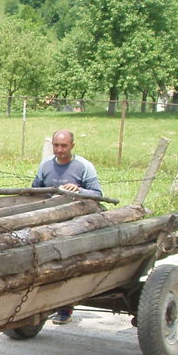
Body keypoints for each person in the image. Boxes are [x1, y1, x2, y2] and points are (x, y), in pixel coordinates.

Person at [32, 129, 103, 324]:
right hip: (49, 221)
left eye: (63, 146)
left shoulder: (83, 166)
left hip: (75, 224)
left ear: (72, 146)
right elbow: (34, 192)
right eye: (56, 145)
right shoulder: (45, 165)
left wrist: (79, 190)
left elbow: (98, 194)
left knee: (67, 263)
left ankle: (65, 306)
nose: (59, 149)